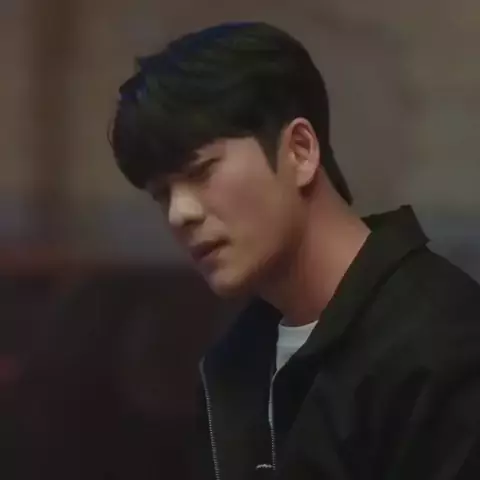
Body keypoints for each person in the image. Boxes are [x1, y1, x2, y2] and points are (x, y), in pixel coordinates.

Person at [110, 21, 480, 480]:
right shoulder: (235, 361)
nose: (178, 213)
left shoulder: (443, 344)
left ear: (300, 151)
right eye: (161, 194)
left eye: (201, 172)